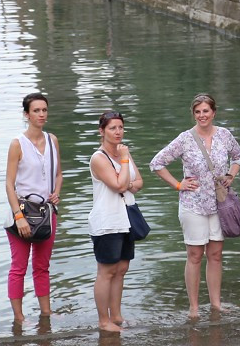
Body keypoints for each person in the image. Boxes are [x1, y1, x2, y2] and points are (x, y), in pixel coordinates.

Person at [149, 94, 240, 318]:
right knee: (194, 255)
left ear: (214, 112)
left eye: (206, 111)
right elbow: (157, 162)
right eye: (198, 111)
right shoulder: (185, 139)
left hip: (219, 203)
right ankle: (193, 307)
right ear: (193, 114)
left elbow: (239, 156)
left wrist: (231, 174)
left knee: (216, 255)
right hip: (193, 204)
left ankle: (216, 304)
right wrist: (178, 184)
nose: (202, 115)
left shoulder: (224, 135)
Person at [4, 93, 62, 324]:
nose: (41, 115)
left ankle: (46, 313)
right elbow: (9, 183)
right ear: (26, 115)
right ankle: (19, 318)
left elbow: (58, 174)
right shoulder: (17, 144)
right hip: (21, 212)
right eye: (36, 111)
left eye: (44, 110)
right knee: (18, 267)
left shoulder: (52, 140)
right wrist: (18, 216)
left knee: (42, 266)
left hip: (46, 212)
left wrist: (56, 192)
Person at [89, 111, 144, 333]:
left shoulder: (123, 153)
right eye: (112, 128)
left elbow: (138, 182)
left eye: (120, 127)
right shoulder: (99, 158)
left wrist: (127, 180)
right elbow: (119, 185)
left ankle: (117, 316)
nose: (118, 132)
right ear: (102, 131)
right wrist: (125, 170)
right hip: (107, 220)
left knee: (122, 268)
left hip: (126, 218)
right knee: (106, 270)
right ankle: (104, 321)